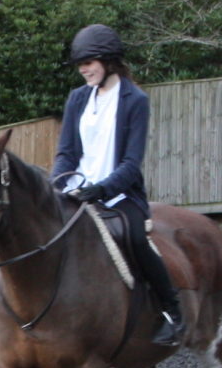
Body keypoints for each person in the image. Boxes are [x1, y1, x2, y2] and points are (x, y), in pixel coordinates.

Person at [52, 23, 183, 345]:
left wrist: (102, 190)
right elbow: (67, 153)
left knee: (136, 238)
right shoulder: (77, 98)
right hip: (77, 191)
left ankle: (173, 311)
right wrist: (58, 184)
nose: (83, 69)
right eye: (80, 64)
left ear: (109, 60)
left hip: (119, 195)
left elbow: (130, 163)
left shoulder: (134, 99)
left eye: (90, 62)